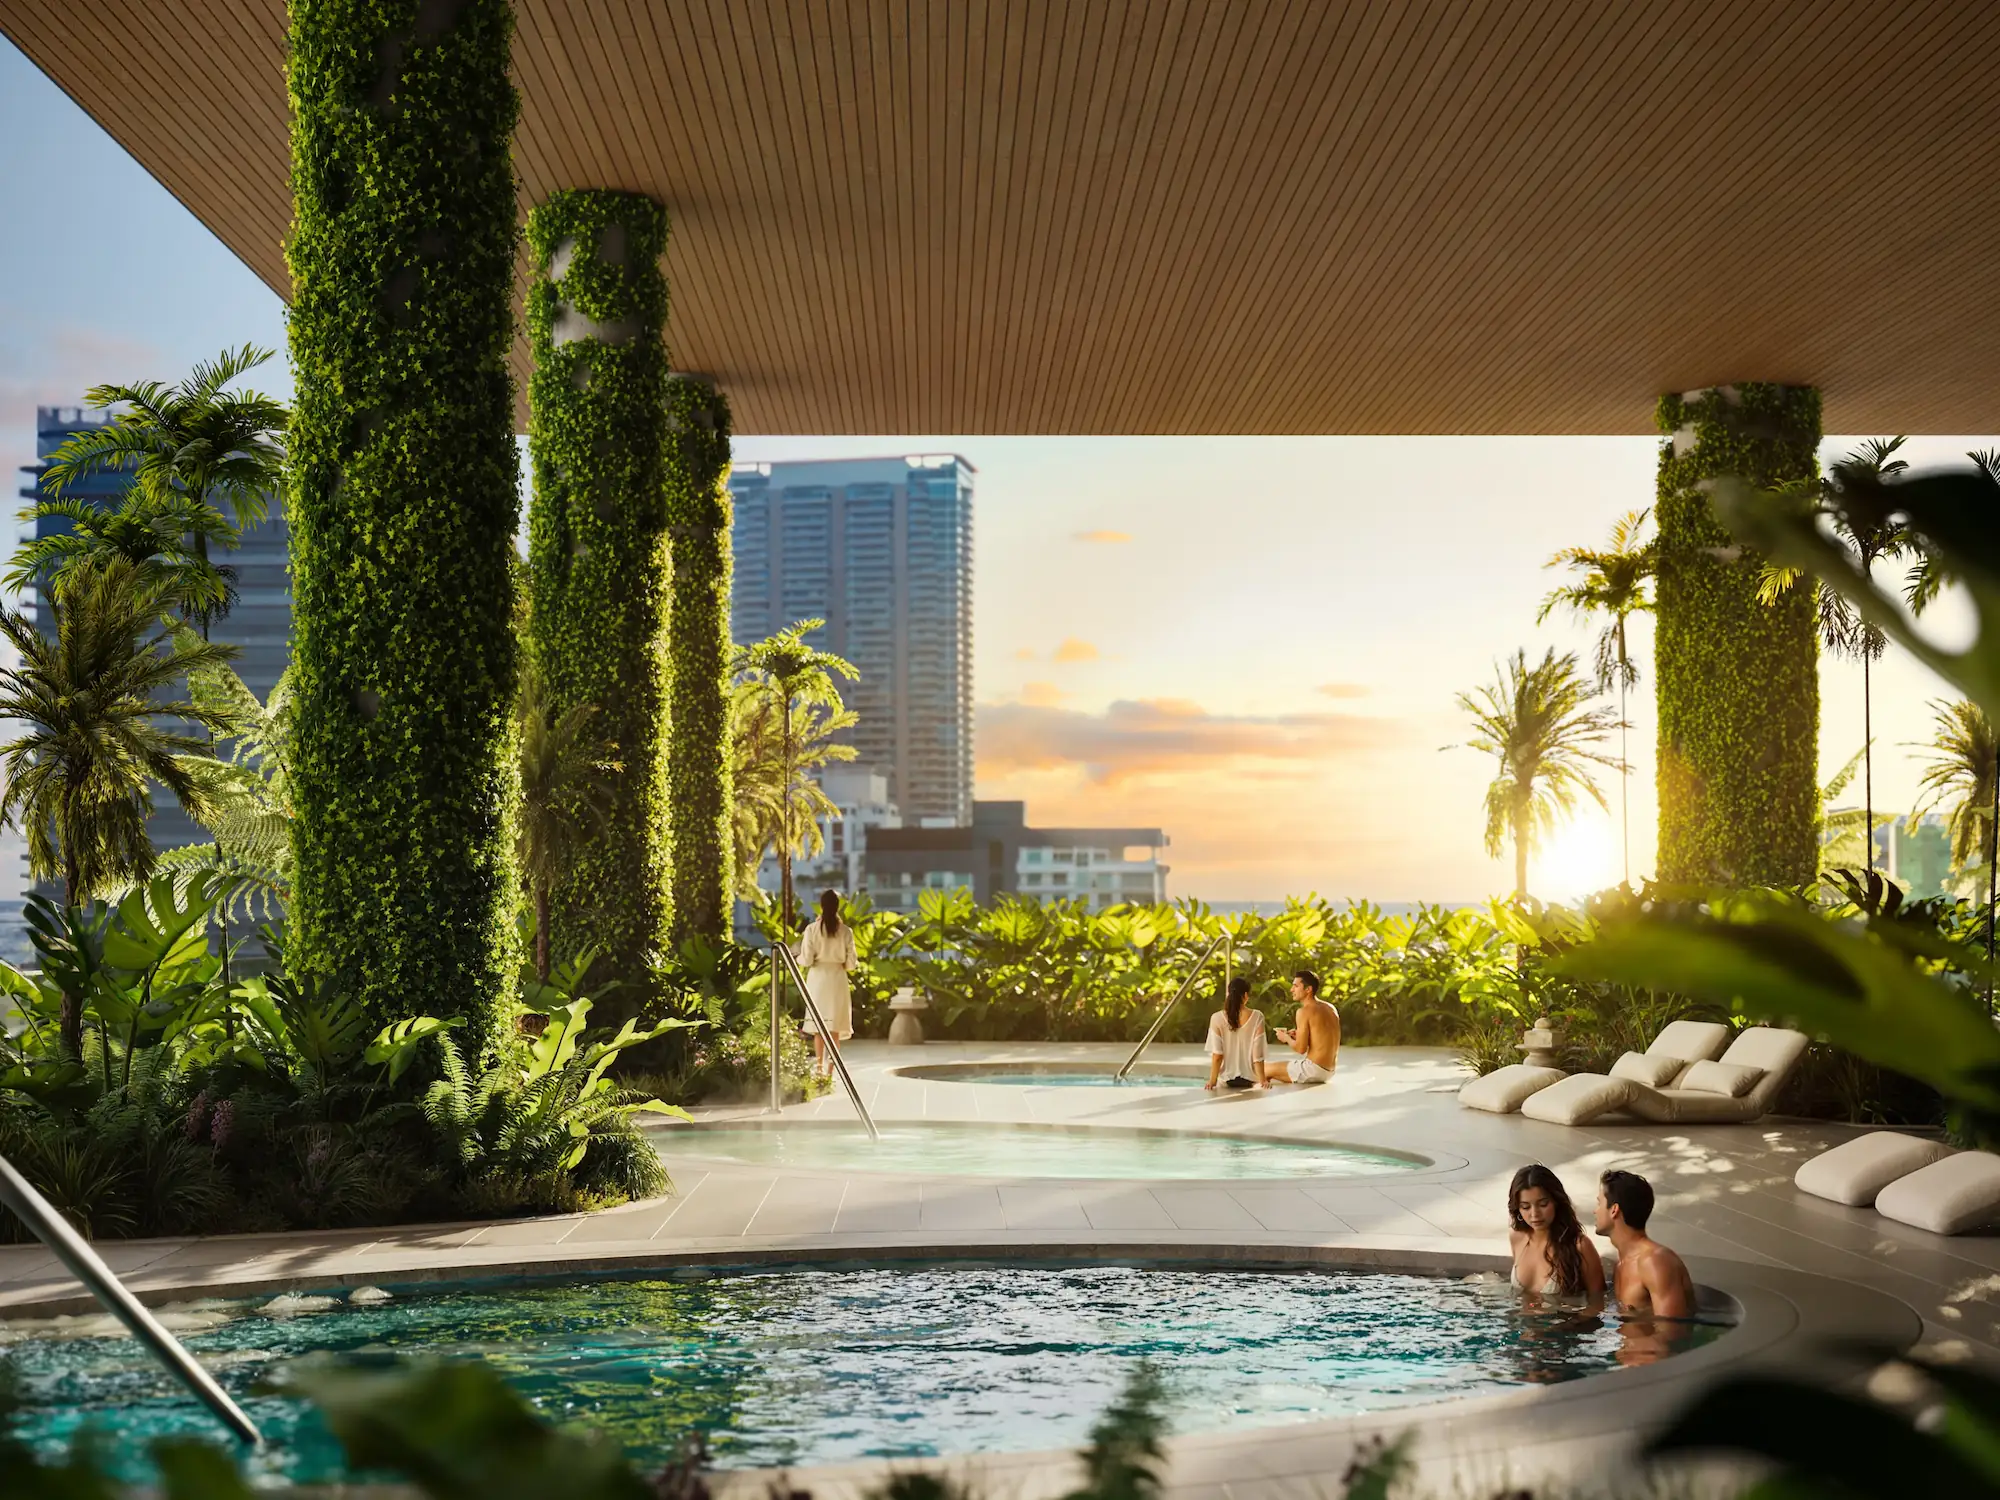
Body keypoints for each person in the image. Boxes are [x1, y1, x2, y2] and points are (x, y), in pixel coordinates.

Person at [1595, 1169, 1695, 1320]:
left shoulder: (1655, 1261)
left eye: (1599, 1203)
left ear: (1614, 1210)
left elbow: (1671, 1328)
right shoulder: (1621, 1265)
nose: (1595, 1211)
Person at [1506, 1164, 1606, 1299]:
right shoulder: (1517, 1237)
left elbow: (1598, 1302)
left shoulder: (1580, 1246)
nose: (1534, 1214)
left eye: (1543, 1204)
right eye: (1525, 1207)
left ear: (1556, 1202)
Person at [794, 889, 856, 1076]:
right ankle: (831, 1069)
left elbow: (806, 959)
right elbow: (851, 963)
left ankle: (820, 1067)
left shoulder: (812, 929)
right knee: (834, 1027)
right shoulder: (846, 931)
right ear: (838, 906)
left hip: (818, 979)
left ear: (821, 906)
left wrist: (796, 958)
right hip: (837, 978)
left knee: (818, 1027)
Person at [1259, 969, 1340, 1084]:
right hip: (1329, 1072)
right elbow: (1322, 1038)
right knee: (1273, 1073)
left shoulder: (1304, 1011)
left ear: (1308, 989)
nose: (1291, 990)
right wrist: (1298, 1035)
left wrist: (1286, 1038)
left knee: (1261, 1069)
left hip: (1312, 1070)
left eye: (1296, 986)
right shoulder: (1331, 1008)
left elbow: (1300, 1049)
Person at [1204, 977, 1267, 1091]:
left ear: (1228, 994)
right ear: (1246, 995)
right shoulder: (1257, 1016)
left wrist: (1212, 1081)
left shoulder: (1216, 1018)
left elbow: (1217, 1056)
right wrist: (1263, 1081)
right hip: (1250, 1080)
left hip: (1226, 1080)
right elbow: (1257, 1056)